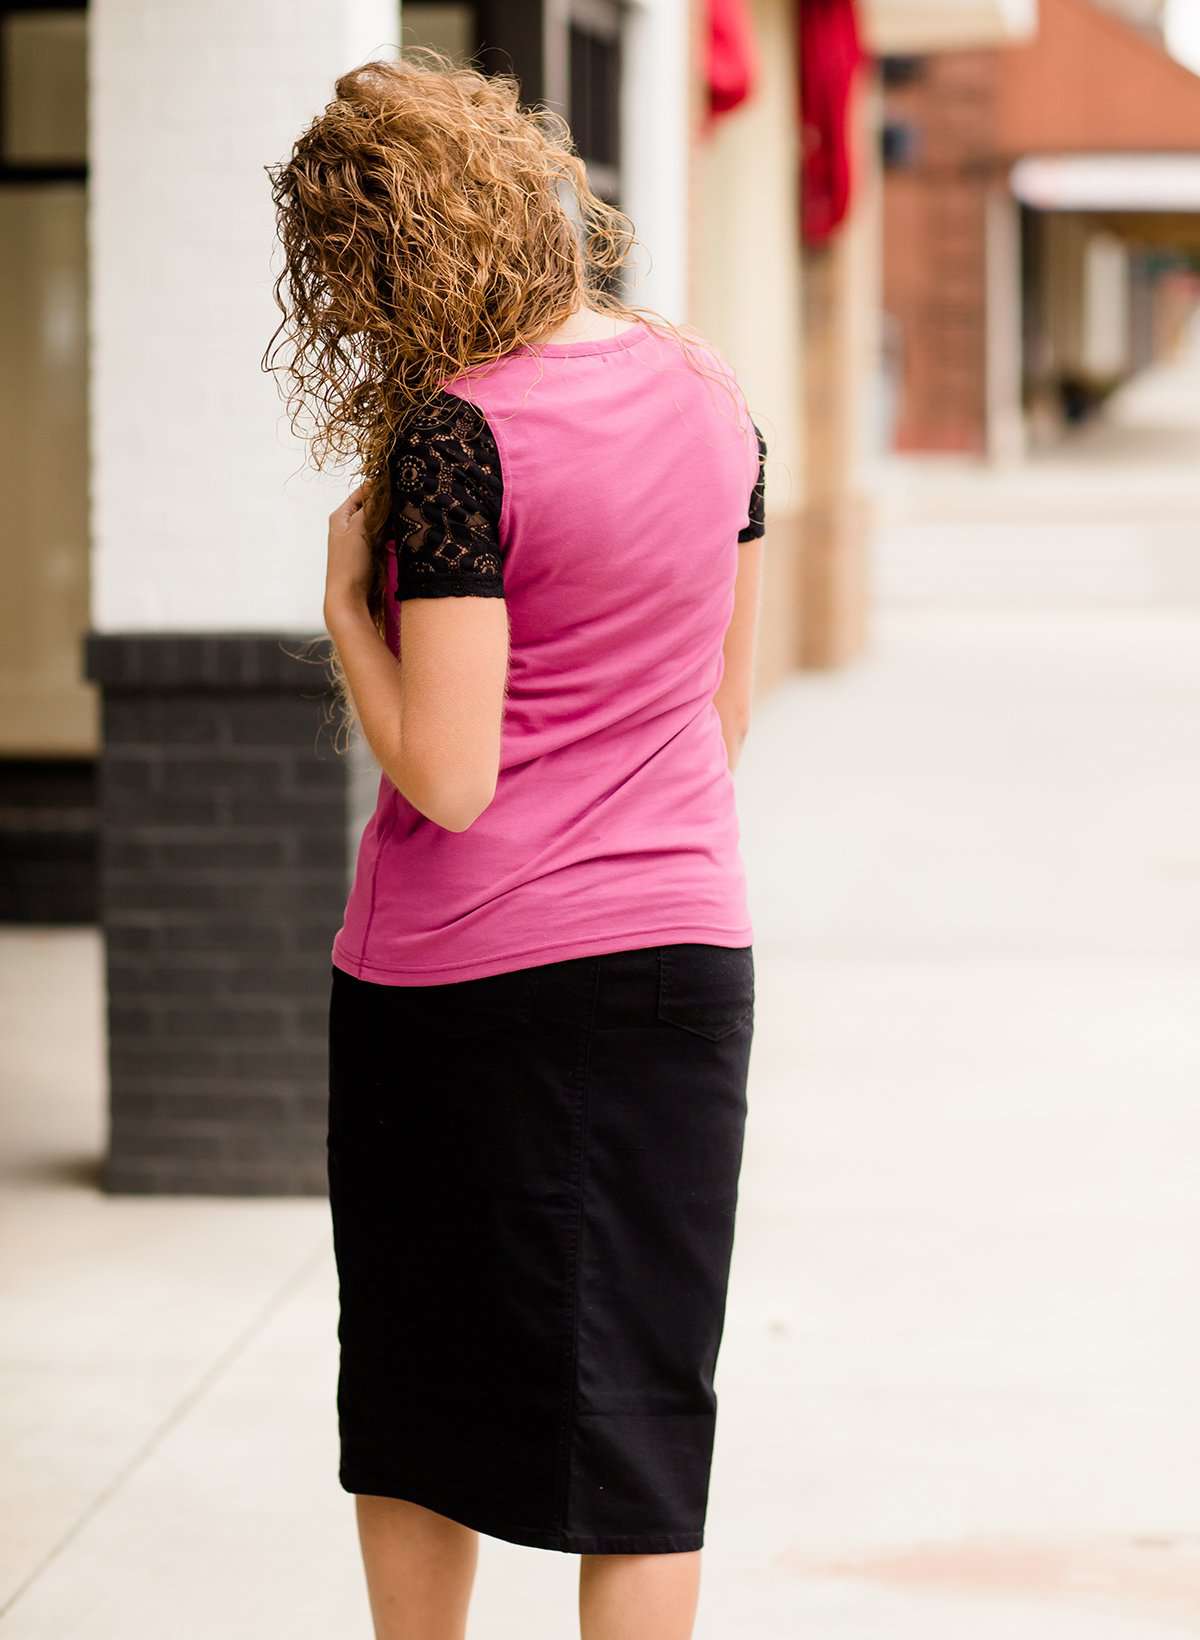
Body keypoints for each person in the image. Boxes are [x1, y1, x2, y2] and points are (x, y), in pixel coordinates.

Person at [266, 48, 767, 1640]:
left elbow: (452, 774)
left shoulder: (455, 441)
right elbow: (722, 713)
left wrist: (352, 609)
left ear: (386, 256)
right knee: (642, 1428)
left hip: (467, 992)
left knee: (422, 1397)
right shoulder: (709, 390)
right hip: (685, 961)